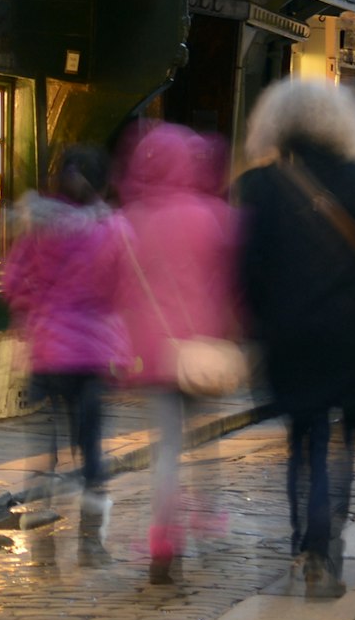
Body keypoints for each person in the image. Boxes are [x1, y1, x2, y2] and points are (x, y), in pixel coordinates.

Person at [234, 80, 355, 597]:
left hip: (289, 332)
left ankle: (305, 544)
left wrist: (251, 326)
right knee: (345, 446)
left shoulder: (260, 187)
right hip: (354, 332)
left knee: (304, 436)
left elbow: (243, 269)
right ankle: (327, 542)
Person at [75, 116, 239, 583]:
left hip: (152, 352)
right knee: (204, 441)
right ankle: (207, 515)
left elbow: (106, 285)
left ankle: (163, 537)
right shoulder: (209, 215)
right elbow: (227, 282)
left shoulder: (128, 221)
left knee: (166, 447)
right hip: (200, 348)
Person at [0, 143, 122, 558]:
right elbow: (122, 285)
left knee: (45, 426)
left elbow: (11, 281)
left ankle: (41, 502)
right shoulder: (110, 229)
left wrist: (32, 308)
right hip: (92, 352)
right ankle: (91, 534)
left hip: (48, 349)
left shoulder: (38, 226)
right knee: (89, 438)